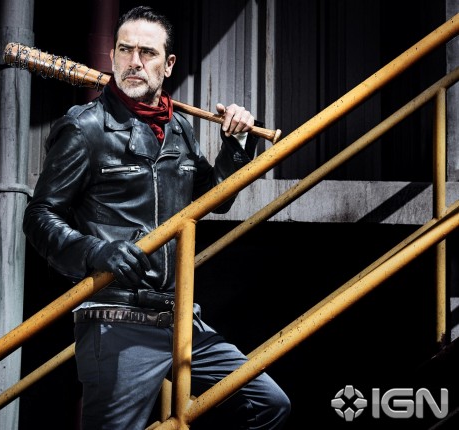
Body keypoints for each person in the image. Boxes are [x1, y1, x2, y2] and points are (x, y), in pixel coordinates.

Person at [23, 5, 290, 429]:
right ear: (112, 57)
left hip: (180, 317)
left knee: (268, 403)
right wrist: (96, 251)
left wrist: (236, 145)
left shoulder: (180, 128)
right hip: (117, 319)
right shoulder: (85, 128)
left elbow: (213, 198)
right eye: (125, 50)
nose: (134, 61)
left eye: (147, 53)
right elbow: (40, 216)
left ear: (167, 65)